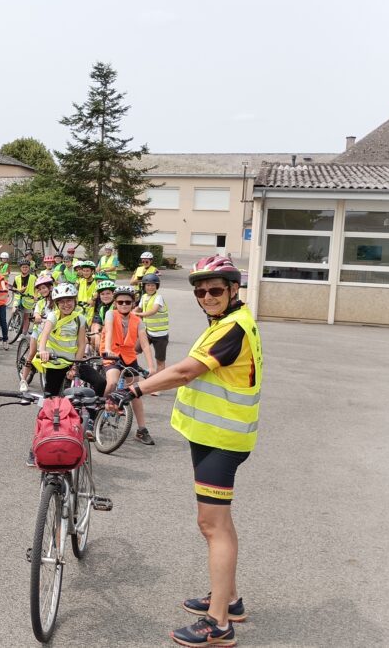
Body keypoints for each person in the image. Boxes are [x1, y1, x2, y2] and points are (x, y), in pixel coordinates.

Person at [106, 256, 260, 647]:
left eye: (215, 290)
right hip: (214, 436)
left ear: (233, 290)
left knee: (211, 525)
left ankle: (218, 624)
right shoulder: (226, 323)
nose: (206, 296)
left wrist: (132, 391)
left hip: (221, 441)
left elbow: (184, 372)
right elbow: (186, 368)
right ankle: (230, 600)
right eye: (200, 291)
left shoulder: (232, 327)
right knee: (219, 524)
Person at [102, 285, 157, 444]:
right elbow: (110, 332)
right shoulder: (110, 314)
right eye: (120, 302)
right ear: (115, 303)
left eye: (128, 302)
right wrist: (107, 349)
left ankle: (141, 429)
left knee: (136, 392)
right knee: (112, 381)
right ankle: (100, 409)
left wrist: (151, 366)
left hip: (128, 356)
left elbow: (145, 344)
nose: (124, 305)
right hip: (111, 352)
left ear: (133, 303)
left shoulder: (138, 321)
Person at [34, 282, 88, 397]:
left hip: (73, 360)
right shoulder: (53, 316)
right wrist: (42, 350)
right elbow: (45, 335)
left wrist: (75, 366)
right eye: (61, 302)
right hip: (56, 362)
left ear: (75, 301)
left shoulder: (80, 319)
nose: (66, 305)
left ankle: (93, 414)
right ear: (57, 304)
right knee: (50, 398)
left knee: (100, 382)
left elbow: (82, 344)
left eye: (69, 300)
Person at [18, 274, 55, 392]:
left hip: (53, 333)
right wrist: (37, 316)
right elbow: (36, 313)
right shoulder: (40, 303)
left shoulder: (57, 302)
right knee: (32, 353)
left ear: (50, 287)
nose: (42, 290)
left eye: (44, 287)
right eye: (39, 289)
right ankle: (23, 380)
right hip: (39, 330)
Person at [134, 273, 169, 376]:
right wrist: (129, 313)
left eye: (153, 285)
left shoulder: (158, 297)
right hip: (147, 332)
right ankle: (134, 372)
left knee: (160, 361)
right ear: (144, 286)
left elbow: (153, 311)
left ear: (156, 286)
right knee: (133, 352)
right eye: (148, 285)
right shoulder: (144, 296)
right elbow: (138, 308)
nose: (150, 287)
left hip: (160, 335)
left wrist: (137, 314)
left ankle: (158, 386)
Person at [89, 279, 116, 354]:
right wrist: (95, 334)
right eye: (102, 294)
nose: (105, 296)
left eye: (108, 293)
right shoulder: (102, 307)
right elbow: (98, 322)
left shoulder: (117, 306)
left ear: (114, 294)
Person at [12, 260, 37, 337]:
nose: (25, 268)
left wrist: (36, 295)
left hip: (28, 299)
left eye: (26, 267)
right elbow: (14, 288)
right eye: (23, 267)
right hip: (18, 298)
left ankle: (23, 334)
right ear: (20, 268)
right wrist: (19, 290)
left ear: (29, 268)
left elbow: (37, 288)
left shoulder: (33, 278)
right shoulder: (17, 278)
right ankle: (13, 322)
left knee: (26, 317)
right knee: (13, 311)